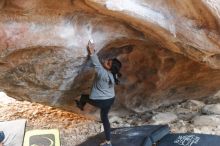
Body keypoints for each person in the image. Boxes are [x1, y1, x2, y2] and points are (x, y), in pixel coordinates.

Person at [75, 40, 122, 146]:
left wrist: (91, 51)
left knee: (83, 96)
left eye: (108, 62)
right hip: (110, 99)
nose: (107, 61)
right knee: (104, 117)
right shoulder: (114, 74)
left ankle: (81, 105)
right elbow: (100, 63)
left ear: (109, 67)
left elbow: (96, 63)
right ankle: (108, 141)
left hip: (101, 101)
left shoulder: (102, 73)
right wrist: (95, 53)